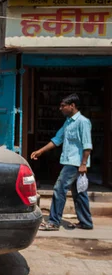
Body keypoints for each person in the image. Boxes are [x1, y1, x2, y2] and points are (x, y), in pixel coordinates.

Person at [31, 93, 93, 231]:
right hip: (71, 161)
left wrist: (83, 164)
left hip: (75, 163)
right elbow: (57, 139)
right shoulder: (68, 122)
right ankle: (86, 222)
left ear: (72, 106)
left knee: (59, 189)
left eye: (63, 106)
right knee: (79, 193)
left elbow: (87, 145)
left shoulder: (83, 122)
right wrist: (40, 151)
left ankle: (53, 222)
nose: (60, 108)